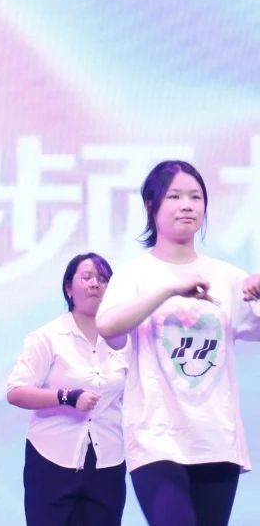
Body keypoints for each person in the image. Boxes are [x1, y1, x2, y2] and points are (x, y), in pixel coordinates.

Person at [96, 160, 260, 526]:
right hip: (156, 438)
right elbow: (108, 327)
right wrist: (170, 289)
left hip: (216, 438)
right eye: (174, 196)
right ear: (150, 206)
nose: (187, 205)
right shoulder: (134, 275)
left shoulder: (227, 276)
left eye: (195, 197)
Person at [7, 252, 127, 525]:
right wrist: (66, 397)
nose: (95, 284)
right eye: (87, 277)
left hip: (108, 460)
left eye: (103, 279)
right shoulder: (47, 337)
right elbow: (16, 391)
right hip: (52, 458)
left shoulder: (123, 341)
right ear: (68, 288)